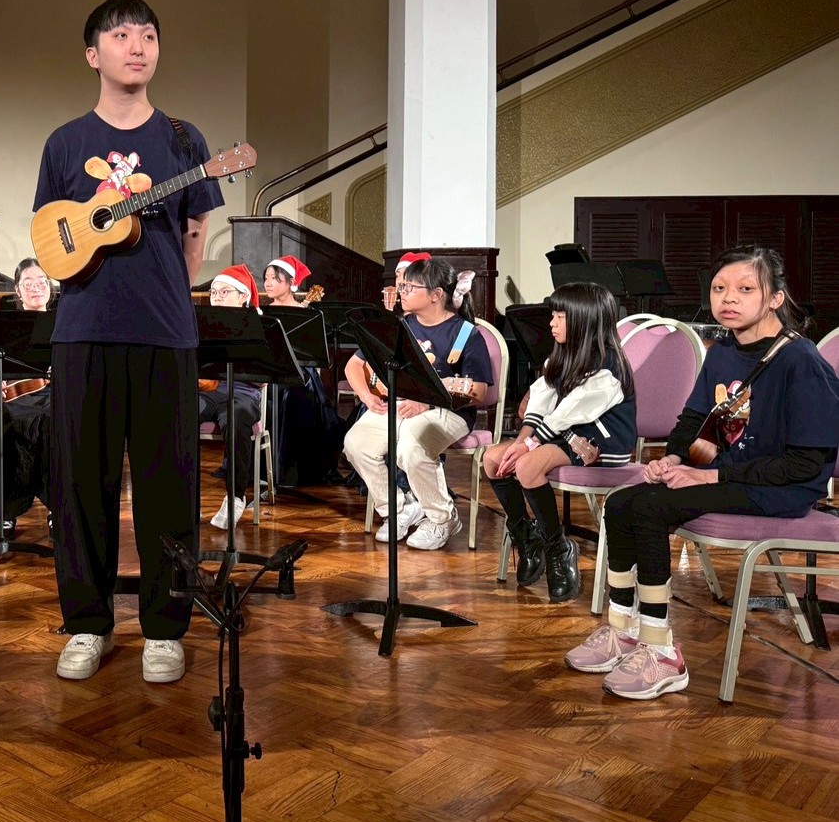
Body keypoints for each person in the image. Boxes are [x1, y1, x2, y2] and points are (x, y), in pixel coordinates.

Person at [36, 0, 220, 684]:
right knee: (80, 484)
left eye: (147, 34)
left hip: (165, 335)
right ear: (93, 54)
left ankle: (165, 628)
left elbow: (196, 232)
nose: (137, 45)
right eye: (120, 36)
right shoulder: (64, 142)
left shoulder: (184, 138)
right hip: (81, 331)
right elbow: (50, 236)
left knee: (168, 486)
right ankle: (86, 623)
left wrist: (164, 291)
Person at [567, 246, 839, 699]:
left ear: (775, 298)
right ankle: (623, 630)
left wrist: (710, 477)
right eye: (719, 288)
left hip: (781, 487)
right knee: (620, 503)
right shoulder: (723, 351)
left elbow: (805, 465)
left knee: (651, 508)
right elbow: (694, 421)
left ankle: (662, 651)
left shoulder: (800, 360)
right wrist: (675, 459)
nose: (728, 298)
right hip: (729, 475)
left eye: (745, 289)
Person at [481, 282, 636, 603]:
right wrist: (520, 441)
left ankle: (557, 546)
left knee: (528, 465)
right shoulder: (560, 357)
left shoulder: (610, 365)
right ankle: (527, 538)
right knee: (493, 459)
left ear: (584, 321)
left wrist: (528, 446)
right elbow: (541, 401)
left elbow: (570, 411)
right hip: (563, 435)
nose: (551, 323)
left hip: (600, 444)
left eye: (559, 317)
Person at [342, 256, 492, 551]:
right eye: (403, 286)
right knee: (356, 443)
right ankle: (399, 508)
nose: (402, 291)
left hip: (449, 411)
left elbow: (480, 392)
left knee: (411, 446)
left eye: (410, 286)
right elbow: (355, 364)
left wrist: (429, 402)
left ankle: (442, 518)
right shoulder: (400, 326)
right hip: (401, 404)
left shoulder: (465, 333)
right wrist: (368, 396)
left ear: (436, 295)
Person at [0, 258, 55, 536]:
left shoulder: (63, 323)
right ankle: (6, 512)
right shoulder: (4, 327)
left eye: (41, 281)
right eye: (27, 283)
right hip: (11, 399)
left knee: (52, 422)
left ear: (50, 286)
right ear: (17, 290)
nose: (35, 287)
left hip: (52, 396)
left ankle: (58, 508)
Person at [264, 254, 343, 486]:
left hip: (301, 373)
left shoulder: (306, 313)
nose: (268, 283)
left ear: (291, 283)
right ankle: (269, 469)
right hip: (271, 372)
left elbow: (315, 353)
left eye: (275, 278)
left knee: (295, 395)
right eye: (266, 278)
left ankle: (294, 471)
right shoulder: (262, 313)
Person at [200, 263, 263, 530]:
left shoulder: (259, 326)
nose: (217, 297)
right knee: (179, 410)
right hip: (209, 390)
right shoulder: (203, 324)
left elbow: (263, 378)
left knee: (237, 417)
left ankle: (235, 496)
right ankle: (183, 494)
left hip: (243, 392)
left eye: (224, 292)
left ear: (243, 297)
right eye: (214, 292)